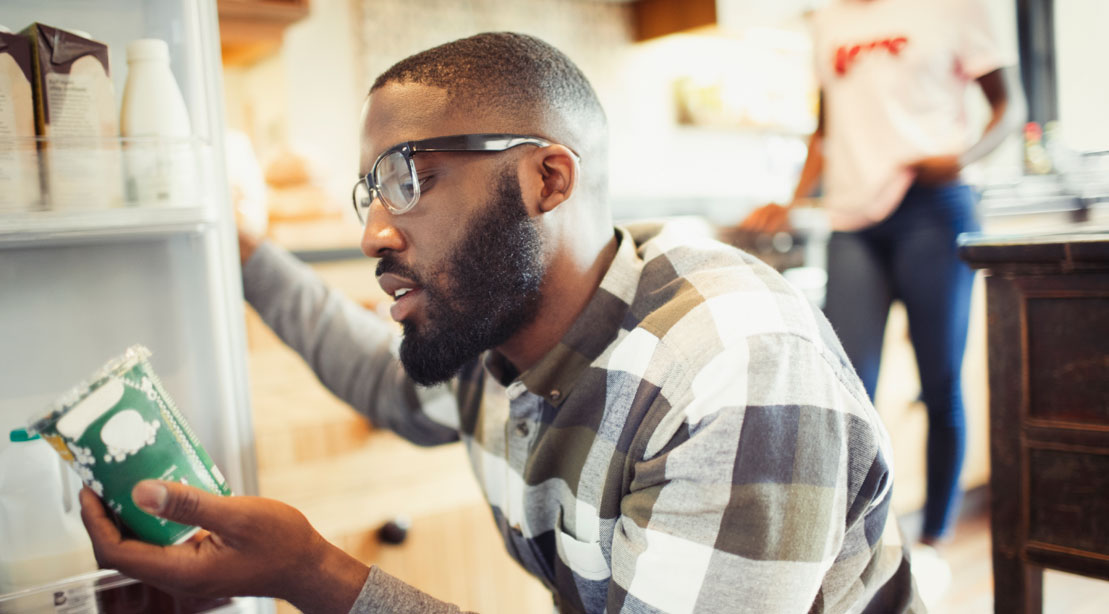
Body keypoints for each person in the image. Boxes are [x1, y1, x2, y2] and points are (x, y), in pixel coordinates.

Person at [81, 32, 922, 613]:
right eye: (369, 192)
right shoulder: (494, 335)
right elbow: (382, 380)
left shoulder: (729, 367)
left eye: (409, 177)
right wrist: (247, 250)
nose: (374, 229)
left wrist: (314, 574)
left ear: (547, 179)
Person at [739, 0, 1025, 586]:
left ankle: (933, 543)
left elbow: (1009, 106)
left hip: (934, 206)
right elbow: (827, 129)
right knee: (845, 390)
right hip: (853, 220)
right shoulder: (827, 20)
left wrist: (961, 159)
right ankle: (856, 552)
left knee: (939, 382)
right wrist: (791, 197)